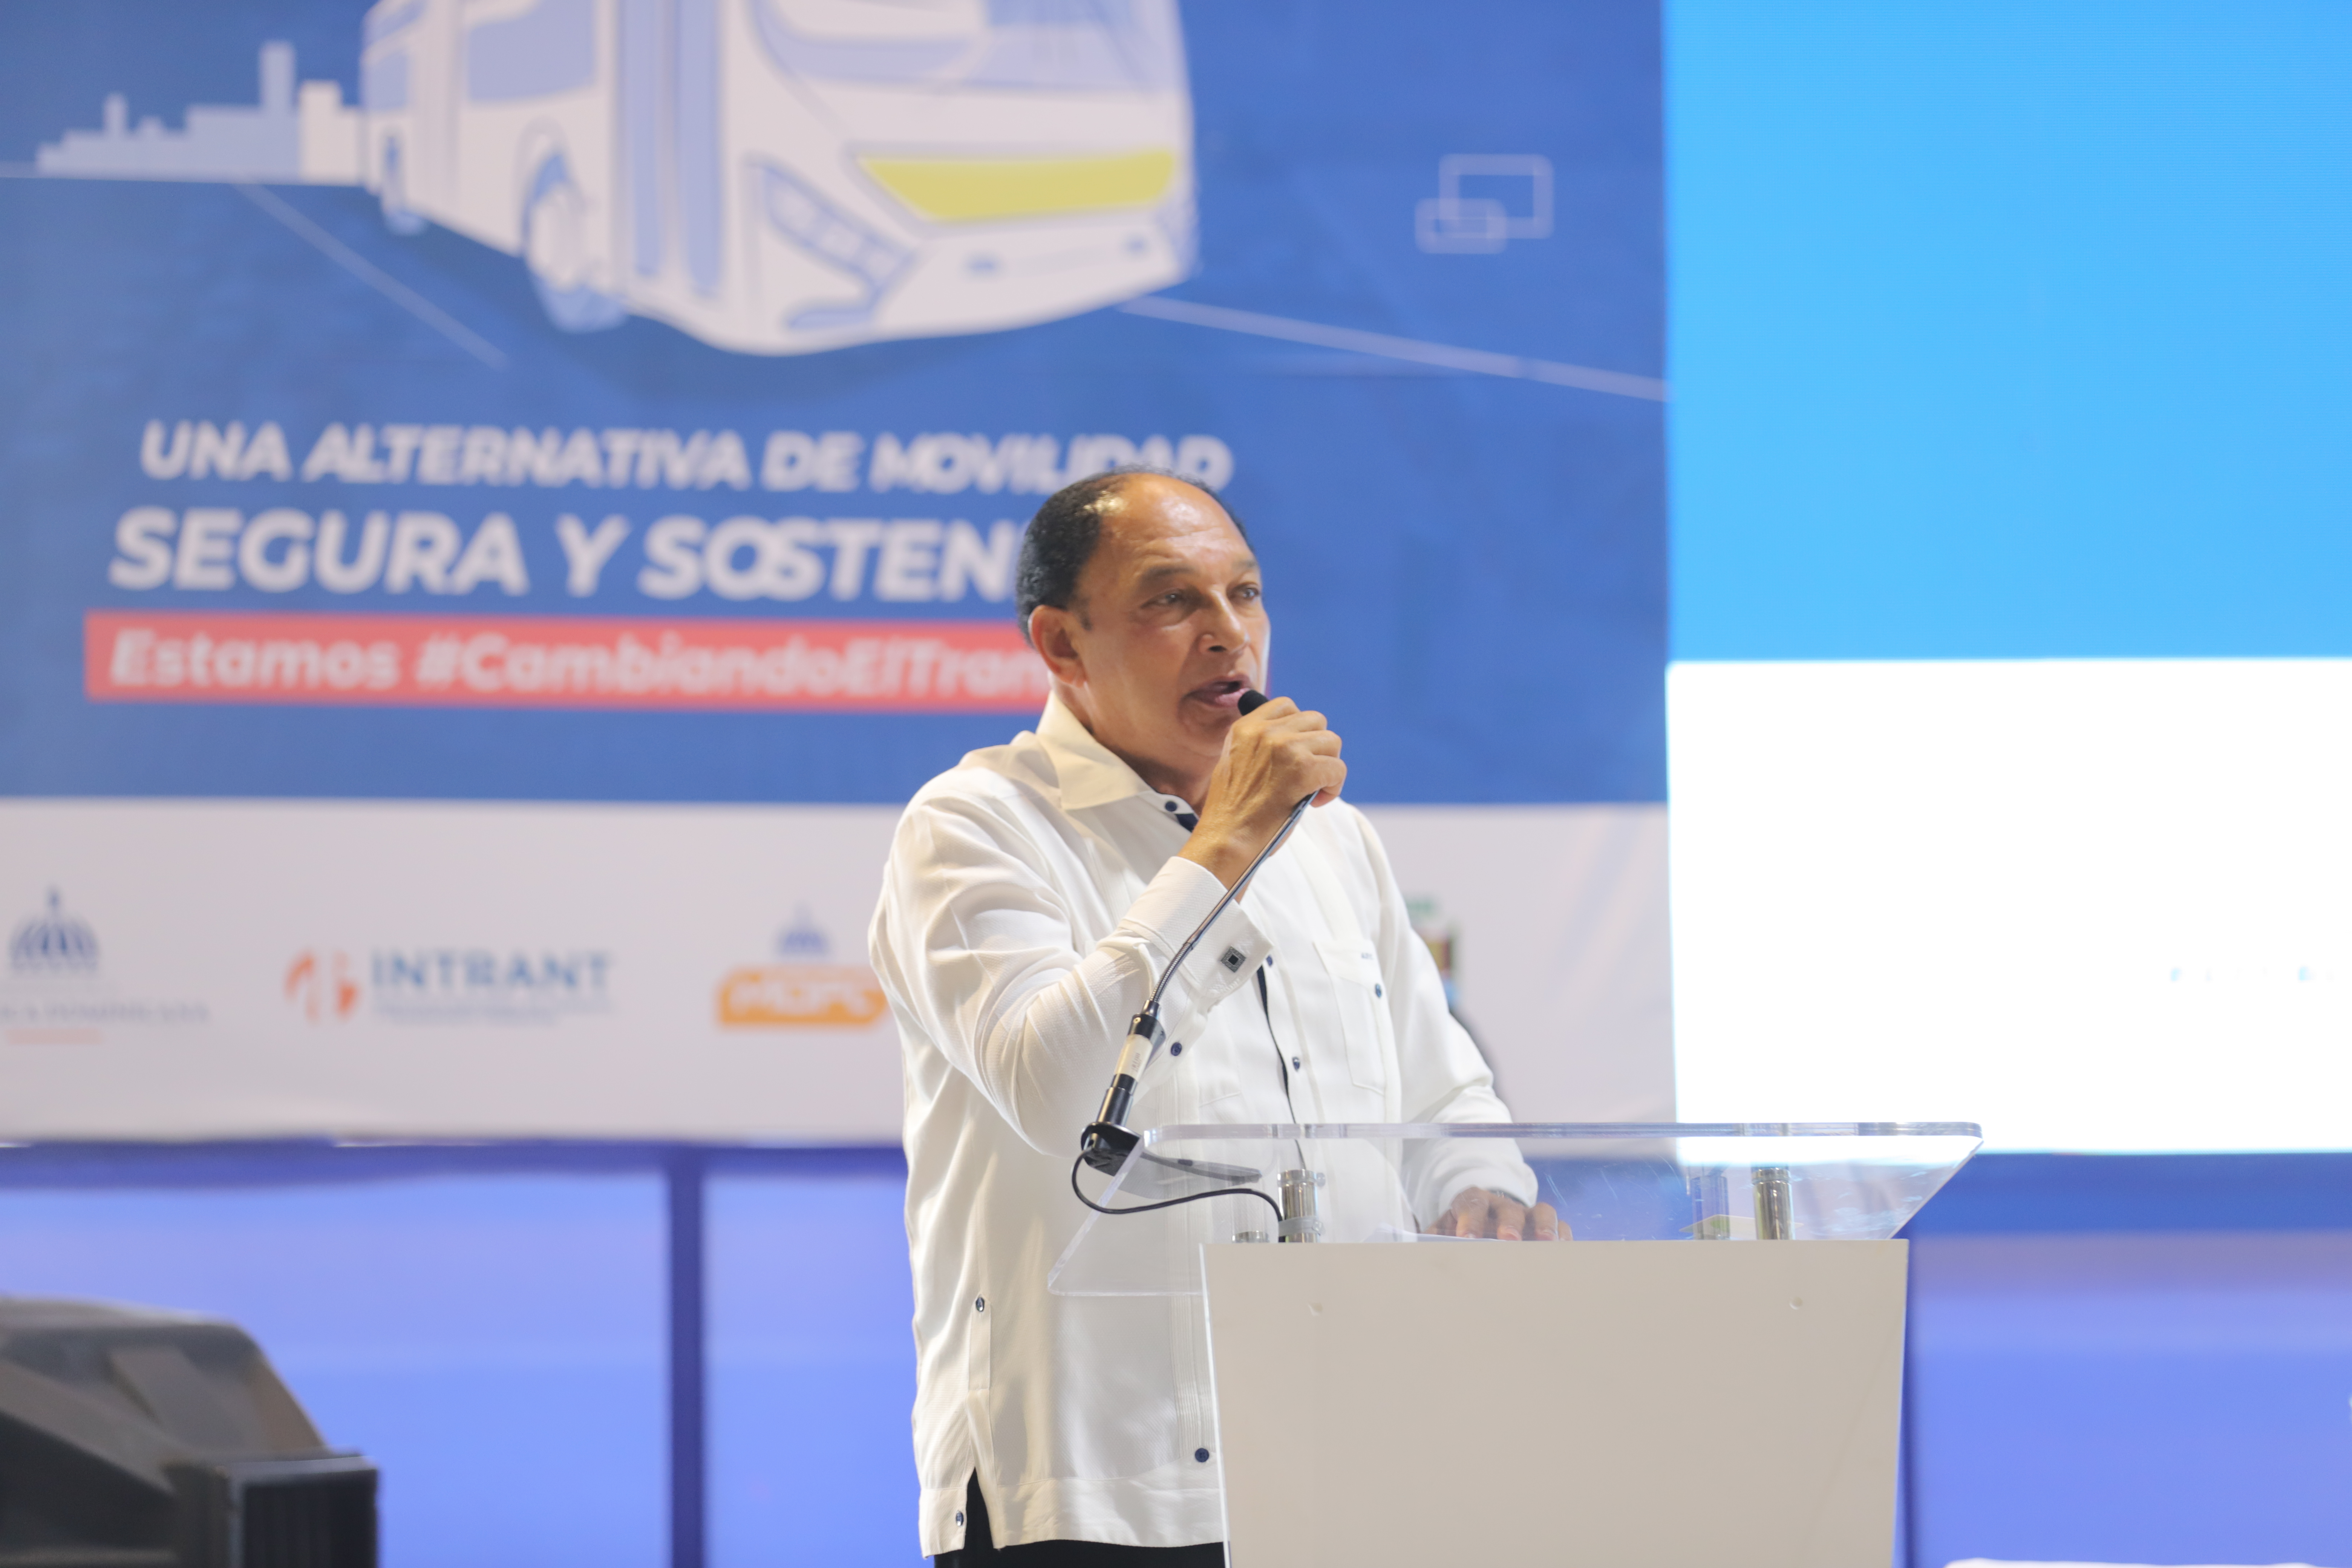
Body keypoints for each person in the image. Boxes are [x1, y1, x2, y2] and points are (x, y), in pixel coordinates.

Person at [869, 469, 1556, 1565]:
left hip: (1346, 1469)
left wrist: (1484, 1190)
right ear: (1061, 644)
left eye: (1246, 594)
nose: (1229, 634)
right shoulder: (974, 826)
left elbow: (1444, 1095)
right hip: (1095, 1495)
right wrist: (1223, 846)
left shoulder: (1335, 840)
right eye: (1171, 600)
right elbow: (1051, 1091)